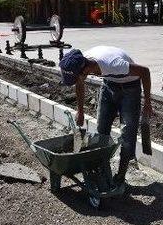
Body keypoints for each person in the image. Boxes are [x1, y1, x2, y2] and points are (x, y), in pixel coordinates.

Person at [59, 46, 153, 185]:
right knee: (101, 129)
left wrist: (147, 103)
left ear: (85, 70)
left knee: (127, 135)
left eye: (77, 77)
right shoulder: (79, 61)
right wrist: (80, 111)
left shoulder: (113, 64)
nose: (77, 80)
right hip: (109, 85)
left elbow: (145, 71)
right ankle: (102, 168)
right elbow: (79, 83)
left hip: (130, 88)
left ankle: (120, 176)